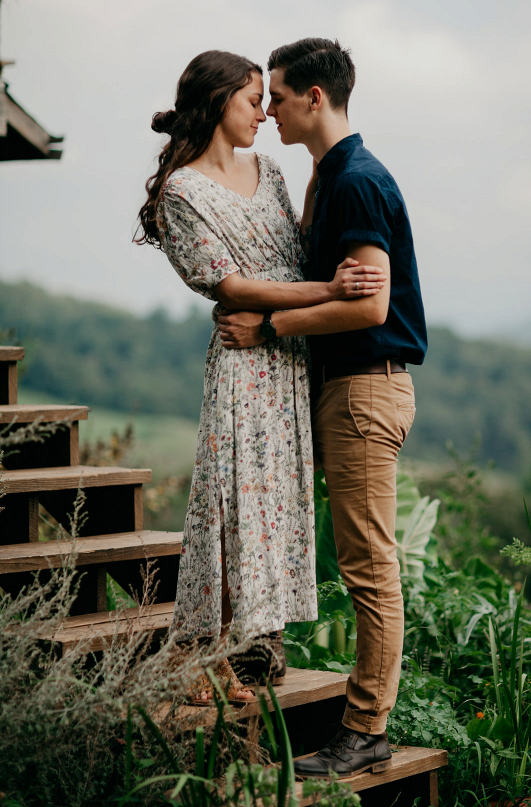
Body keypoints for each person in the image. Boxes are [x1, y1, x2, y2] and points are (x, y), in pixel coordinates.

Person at [135, 49, 386, 705]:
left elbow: (295, 251)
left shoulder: (271, 170)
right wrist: (325, 288)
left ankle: (228, 653)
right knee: (228, 508)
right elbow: (232, 284)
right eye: (253, 101)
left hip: (289, 365)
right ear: (220, 103)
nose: (265, 115)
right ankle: (193, 655)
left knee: (267, 517)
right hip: (245, 366)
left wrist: (318, 268)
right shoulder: (183, 191)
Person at [218, 39, 427, 771]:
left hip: (367, 385)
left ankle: (366, 730)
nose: (267, 108)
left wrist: (268, 325)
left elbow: (368, 309)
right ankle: (361, 722)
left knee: (370, 566)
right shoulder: (328, 176)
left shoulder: (358, 182)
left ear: (314, 96)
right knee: (360, 560)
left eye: (275, 94)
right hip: (347, 388)